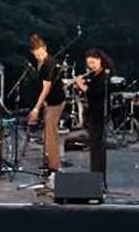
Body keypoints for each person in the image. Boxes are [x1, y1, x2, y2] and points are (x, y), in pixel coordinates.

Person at [70, 49, 112, 177]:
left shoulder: (104, 75)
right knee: (94, 148)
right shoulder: (94, 75)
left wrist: (82, 86)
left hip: (100, 114)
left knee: (98, 148)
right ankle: (95, 175)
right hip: (94, 114)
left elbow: (95, 93)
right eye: (89, 64)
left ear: (100, 60)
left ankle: (98, 176)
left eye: (93, 63)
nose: (91, 66)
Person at [26, 33, 61, 176]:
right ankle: (49, 162)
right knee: (47, 134)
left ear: (45, 48)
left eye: (40, 53)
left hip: (56, 100)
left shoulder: (50, 64)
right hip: (48, 101)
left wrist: (36, 108)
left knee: (50, 134)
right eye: (36, 55)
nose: (39, 57)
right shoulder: (40, 62)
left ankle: (54, 167)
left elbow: (46, 88)